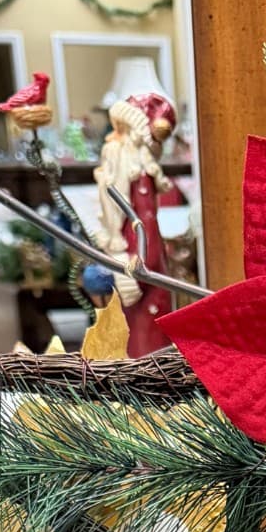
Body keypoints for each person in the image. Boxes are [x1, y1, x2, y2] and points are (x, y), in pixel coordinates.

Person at [92, 92, 180, 357]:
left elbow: (147, 228)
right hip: (135, 262)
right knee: (138, 331)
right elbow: (120, 218)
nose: (113, 138)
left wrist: (143, 265)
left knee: (149, 331)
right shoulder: (124, 167)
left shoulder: (140, 170)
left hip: (147, 266)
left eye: (120, 129)